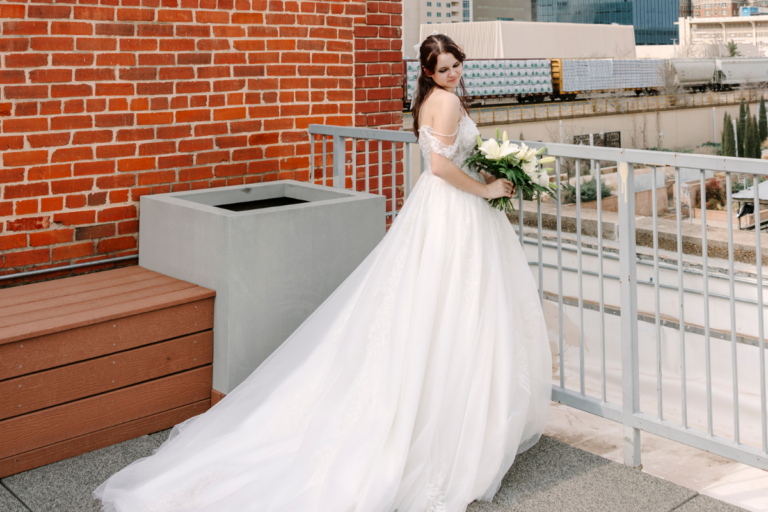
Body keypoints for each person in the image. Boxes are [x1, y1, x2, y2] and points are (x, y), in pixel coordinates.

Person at [93, 33, 552, 512]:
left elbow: (448, 160)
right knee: (459, 308)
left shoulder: (430, 102)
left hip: (441, 212)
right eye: (444, 69)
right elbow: (438, 167)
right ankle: (451, 424)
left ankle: (450, 411)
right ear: (428, 73)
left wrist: (490, 178)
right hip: (454, 212)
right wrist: (486, 190)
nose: (454, 73)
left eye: (457, 64)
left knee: (433, 309)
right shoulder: (447, 104)